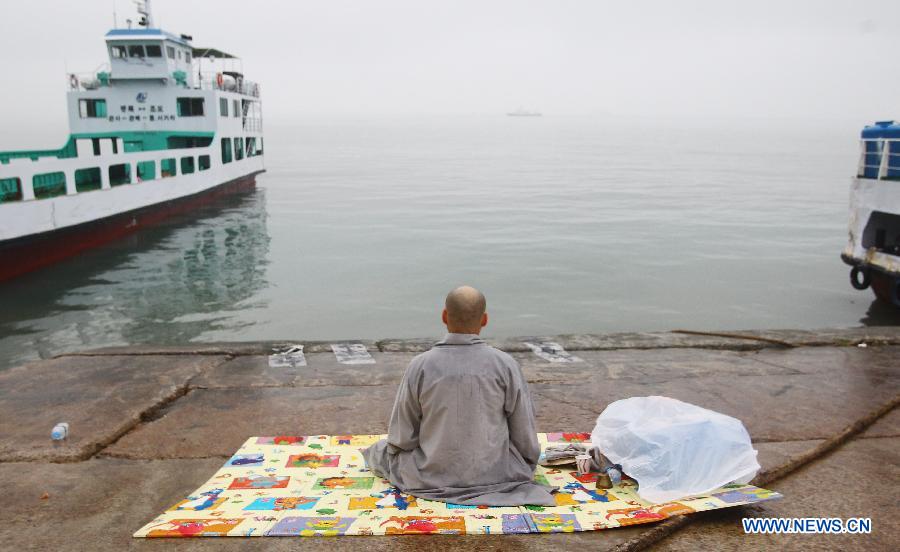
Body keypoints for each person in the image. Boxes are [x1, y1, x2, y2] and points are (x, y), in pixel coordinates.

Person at [362, 285, 556, 506]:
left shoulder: (421, 365)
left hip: (429, 475)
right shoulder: (505, 364)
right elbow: (525, 435)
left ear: (444, 316)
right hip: (496, 474)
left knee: (378, 451)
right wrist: (522, 463)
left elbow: (401, 437)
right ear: (484, 320)